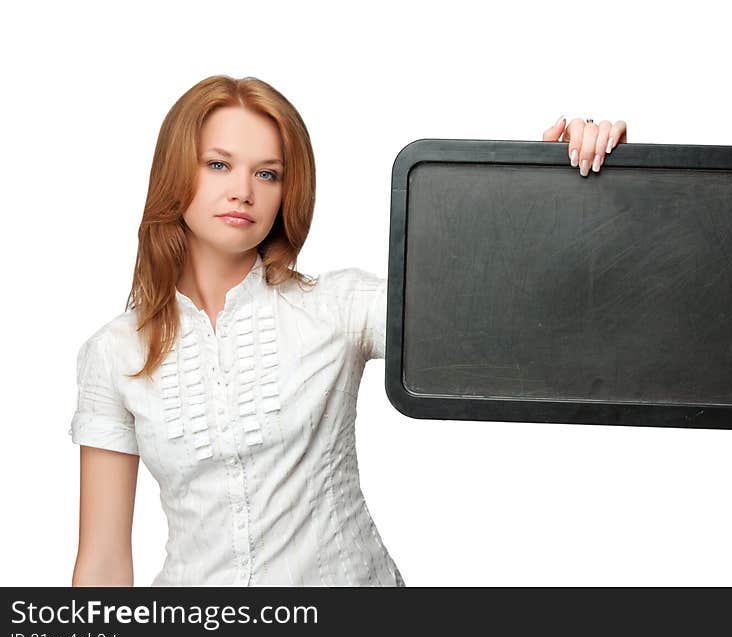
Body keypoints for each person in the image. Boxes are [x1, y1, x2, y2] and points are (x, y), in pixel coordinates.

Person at [68, 74, 627, 586]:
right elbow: (102, 562)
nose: (243, 190)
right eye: (218, 164)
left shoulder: (337, 307)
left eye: (267, 173)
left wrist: (559, 188)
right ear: (174, 171)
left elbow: (495, 317)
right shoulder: (114, 353)